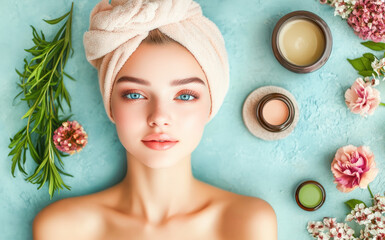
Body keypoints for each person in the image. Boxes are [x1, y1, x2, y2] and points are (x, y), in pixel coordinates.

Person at [32, 1, 277, 239]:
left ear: (211, 104)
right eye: (135, 95)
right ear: (111, 106)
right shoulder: (63, 229)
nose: (159, 117)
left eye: (185, 95)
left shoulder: (246, 223)